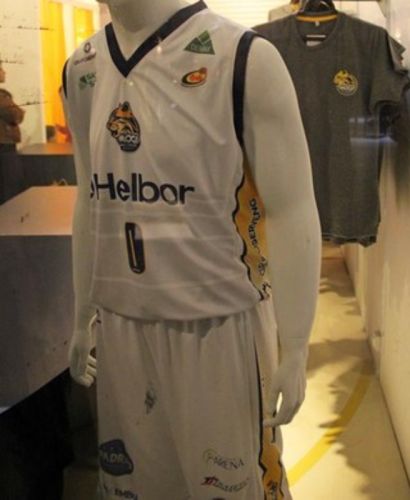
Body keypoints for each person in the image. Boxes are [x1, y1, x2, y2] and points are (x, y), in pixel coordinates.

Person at [62, 1, 321, 498]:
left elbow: (293, 210)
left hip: (218, 328)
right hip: (121, 328)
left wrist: (295, 346)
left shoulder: (243, 57)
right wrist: (81, 317)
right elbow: (90, 200)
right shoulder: (81, 67)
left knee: (231, 486)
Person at [0, 61, 25, 153]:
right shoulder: (1, 96)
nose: (4, 72)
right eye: (1, 69)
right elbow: (15, 115)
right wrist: (20, 111)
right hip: (4, 143)